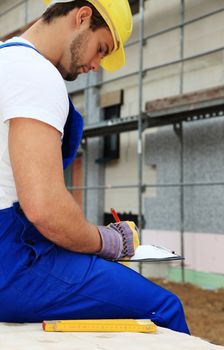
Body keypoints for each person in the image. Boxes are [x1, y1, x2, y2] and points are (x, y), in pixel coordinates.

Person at [0, 0, 190, 334]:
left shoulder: (6, 60)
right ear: (82, 16)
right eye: (101, 48)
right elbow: (44, 208)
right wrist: (106, 241)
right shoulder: (36, 75)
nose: (97, 65)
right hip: (11, 263)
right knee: (163, 308)